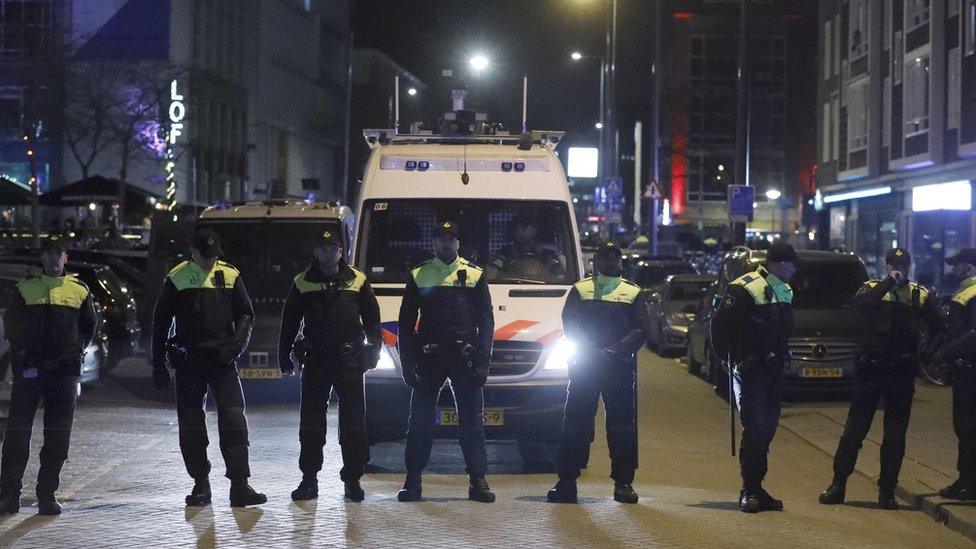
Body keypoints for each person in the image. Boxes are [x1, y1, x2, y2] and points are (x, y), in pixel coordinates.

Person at [819, 248, 943, 509]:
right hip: (871, 370)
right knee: (854, 431)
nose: (899, 267)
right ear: (886, 266)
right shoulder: (872, 288)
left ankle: (886, 490)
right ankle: (838, 484)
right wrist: (888, 283)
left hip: (901, 372)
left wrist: (925, 354)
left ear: (910, 266)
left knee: (895, 436)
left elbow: (938, 328)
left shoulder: (918, 295)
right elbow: (860, 307)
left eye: (903, 264)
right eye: (894, 264)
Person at [151, 227, 266, 508]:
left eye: (214, 256)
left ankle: (240, 485)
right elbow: (161, 322)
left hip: (223, 361)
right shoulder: (177, 278)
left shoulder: (229, 274)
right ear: (193, 252)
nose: (210, 261)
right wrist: (159, 364)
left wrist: (235, 348)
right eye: (205, 256)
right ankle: (200, 484)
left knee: (234, 422)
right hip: (190, 362)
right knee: (191, 426)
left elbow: (246, 315)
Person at [278, 229, 381, 502]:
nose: (328, 252)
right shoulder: (302, 282)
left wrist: (374, 352)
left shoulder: (357, 280)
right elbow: (289, 322)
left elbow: (373, 320)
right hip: (317, 362)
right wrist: (283, 356)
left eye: (333, 248)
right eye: (323, 248)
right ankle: (309, 480)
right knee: (311, 424)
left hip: (349, 361)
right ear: (316, 252)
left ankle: (352, 480)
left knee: (353, 424)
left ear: (340, 251)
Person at [396, 220, 495, 503]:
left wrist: (483, 361)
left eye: (451, 239)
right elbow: (405, 324)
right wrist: (407, 363)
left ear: (458, 243)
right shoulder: (419, 274)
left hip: (465, 360)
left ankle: (478, 481)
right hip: (430, 359)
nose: (446, 244)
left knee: (473, 424)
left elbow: (486, 321)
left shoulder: (475, 275)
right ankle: (413, 481)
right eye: (441, 239)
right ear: (434, 243)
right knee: (420, 423)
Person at [0, 237, 98, 515]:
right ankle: (9, 494)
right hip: (30, 371)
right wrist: (22, 354)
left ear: (65, 257)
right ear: (42, 258)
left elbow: (89, 326)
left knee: (57, 435)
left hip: (63, 373)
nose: (54, 259)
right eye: (49, 254)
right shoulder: (25, 289)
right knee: (18, 434)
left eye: (59, 254)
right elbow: (12, 326)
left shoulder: (79, 290)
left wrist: (75, 351)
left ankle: (47, 494)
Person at [546, 241, 648, 504]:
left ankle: (624, 484)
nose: (610, 263)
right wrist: (591, 350)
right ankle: (567, 482)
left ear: (620, 262)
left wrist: (615, 350)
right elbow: (570, 324)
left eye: (615, 258)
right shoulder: (580, 290)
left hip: (618, 369)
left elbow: (640, 329)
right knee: (576, 425)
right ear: (596, 261)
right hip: (586, 367)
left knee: (622, 427)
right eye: (605, 258)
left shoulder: (632, 292)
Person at [711, 240, 797, 513]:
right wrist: (730, 361)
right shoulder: (745, 287)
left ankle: (757, 488)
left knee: (767, 429)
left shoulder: (785, 290)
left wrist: (785, 349)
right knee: (756, 427)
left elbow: (778, 329)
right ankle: (749, 489)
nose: (795, 272)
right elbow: (719, 326)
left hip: (773, 371)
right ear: (782, 264)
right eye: (793, 266)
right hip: (752, 371)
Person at [930, 248, 976, 500]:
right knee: (965, 429)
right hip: (965, 370)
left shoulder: (973, 292)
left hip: (970, 371)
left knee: (967, 428)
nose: (952, 269)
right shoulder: (966, 291)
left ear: (968, 267)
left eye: (957, 264)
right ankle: (965, 480)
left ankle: (969, 484)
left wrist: (944, 353)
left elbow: (972, 335)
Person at [487, 215, 566, 278]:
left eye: (524, 227)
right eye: (517, 228)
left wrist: (557, 252)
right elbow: (491, 273)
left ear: (534, 230)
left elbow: (562, 271)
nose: (519, 231)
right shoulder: (506, 253)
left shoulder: (544, 254)